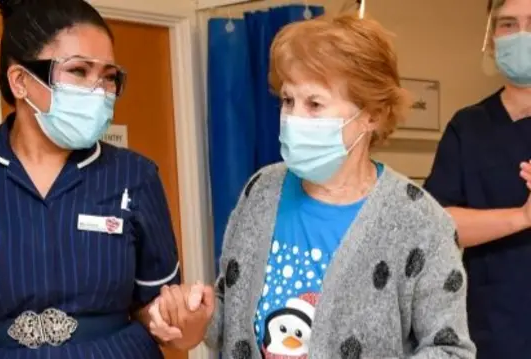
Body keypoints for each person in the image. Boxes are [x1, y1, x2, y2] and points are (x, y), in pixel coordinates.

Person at [150, 14, 476, 359]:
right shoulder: (262, 190)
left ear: (372, 115)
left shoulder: (420, 221)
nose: (294, 118)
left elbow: (450, 350)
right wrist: (196, 320)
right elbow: (231, 312)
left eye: (314, 104)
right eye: (288, 101)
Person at [0, 0, 201, 357]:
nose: (99, 90)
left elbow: (156, 310)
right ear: (20, 80)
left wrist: (183, 322)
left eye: (109, 76)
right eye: (79, 71)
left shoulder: (135, 176)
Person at [423, 0, 531, 357]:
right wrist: (523, 217)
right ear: (491, 36)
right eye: (508, 24)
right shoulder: (469, 127)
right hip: (492, 330)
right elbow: (435, 225)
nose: (520, 35)